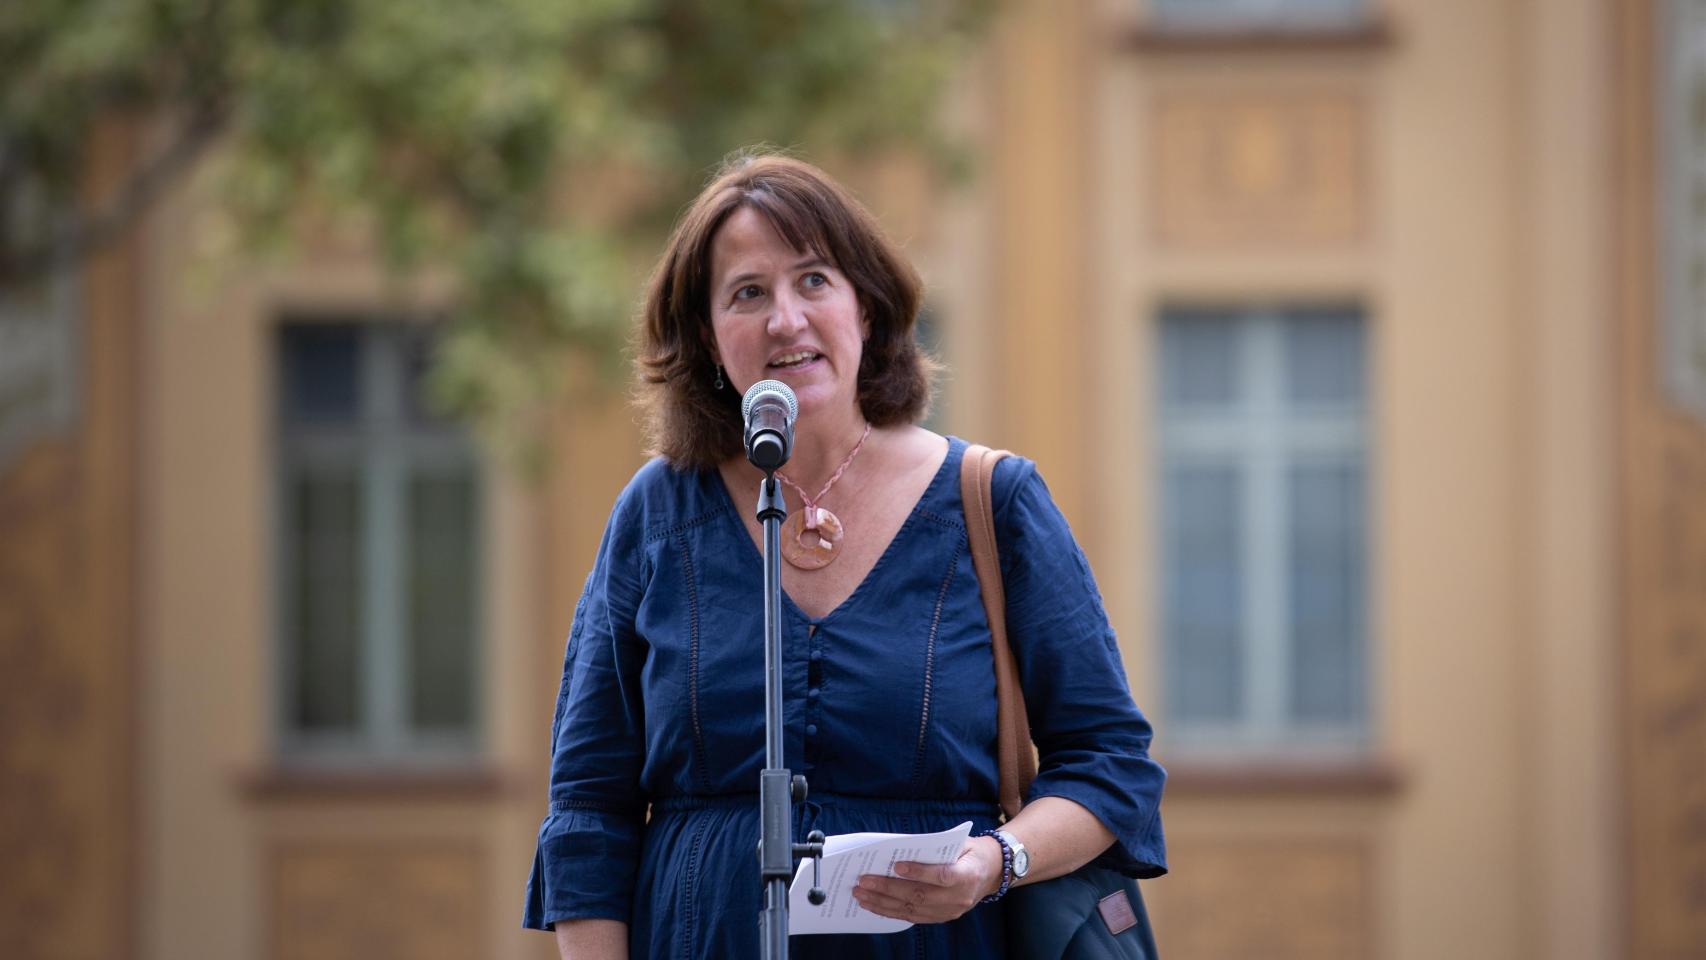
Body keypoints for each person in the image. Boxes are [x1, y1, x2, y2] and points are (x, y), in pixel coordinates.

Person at [523, 152, 1167, 959]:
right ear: (708, 338)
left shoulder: (993, 502)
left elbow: (1110, 765)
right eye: (747, 293)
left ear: (865, 308)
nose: (785, 319)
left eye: (814, 281)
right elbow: (588, 810)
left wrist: (996, 861)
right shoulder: (657, 514)